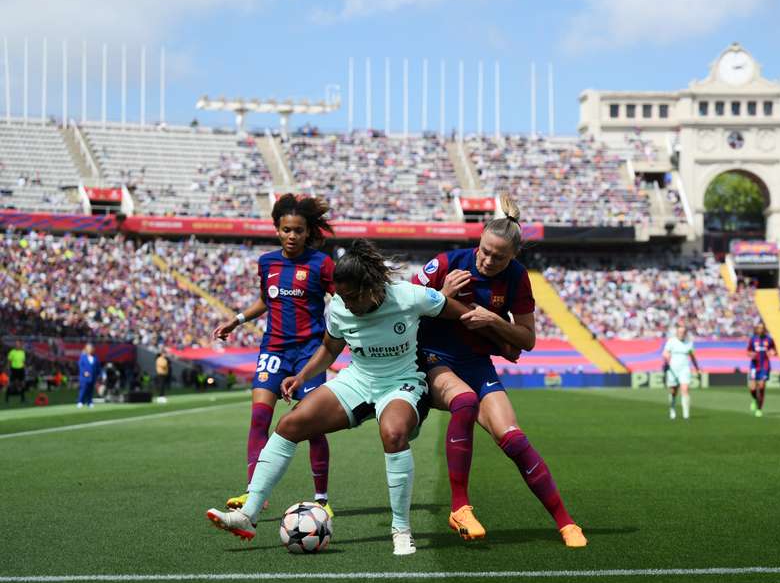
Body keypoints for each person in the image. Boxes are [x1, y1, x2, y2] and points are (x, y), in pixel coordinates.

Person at [206, 239, 472, 555]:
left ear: (372, 287)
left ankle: (401, 530)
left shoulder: (409, 296)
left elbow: (464, 315)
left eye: (352, 296)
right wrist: (302, 376)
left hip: (401, 382)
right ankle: (247, 514)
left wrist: (497, 335)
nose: (346, 302)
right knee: (290, 423)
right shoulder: (339, 308)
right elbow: (330, 349)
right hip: (357, 380)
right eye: (341, 296)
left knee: (394, 433)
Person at [412, 195, 587, 548]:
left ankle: (566, 523)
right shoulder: (446, 263)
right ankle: (460, 506)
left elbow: (527, 340)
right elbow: (401, 307)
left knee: (513, 438)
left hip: (476, 364)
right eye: (485, 251)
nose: (489, 260)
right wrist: (440, 295)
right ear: (478, 242)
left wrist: (494, 320)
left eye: (499, 257)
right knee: (463, 402)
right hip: (434, 358)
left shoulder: (518, 279)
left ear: (513, 257)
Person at [213, 195, 336, 515]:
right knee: (258, 419)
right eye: (286, 230)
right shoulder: (267, 263)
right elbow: (266, 301)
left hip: (310, 353)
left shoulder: (321, 264)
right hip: (274, 349)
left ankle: (322, 499)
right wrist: (236, 320)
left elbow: (342, 301)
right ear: (277, 230)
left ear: (308, 232)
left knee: (313, 425)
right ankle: (255, 495)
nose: (292, 235)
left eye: (298, 230)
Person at [662, 324, 700, 420]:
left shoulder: (689, 343)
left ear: (685, 333)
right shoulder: (671, 341)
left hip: (685, 368)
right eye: (679, 332)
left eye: (683, 332)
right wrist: (667, 358)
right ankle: (672, 408)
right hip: (673, 369)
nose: (681, 334)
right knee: (673, 391)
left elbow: (692, 356)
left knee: (685, 389)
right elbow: (665, 353)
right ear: (677, 332)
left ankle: (686, 415)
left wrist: (697, 368)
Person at [747, 323, 777, 418]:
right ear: (756, 329)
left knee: (761, 386)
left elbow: (774, 350)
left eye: (762, 328)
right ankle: (754, 399)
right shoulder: (753, 339)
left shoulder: (769, 339)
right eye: (759, 328)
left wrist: (773, 352)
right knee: (752, 388)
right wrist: (751, 354)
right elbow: (748, 351)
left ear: (764, 329)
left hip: (764, 366)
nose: (760, 329)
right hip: (754, 366)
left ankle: (759, 409)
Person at [77, 343, 101, 408]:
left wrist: (99, 375)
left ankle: (89, 402)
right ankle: (80, 402)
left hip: (93, 377)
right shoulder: (83, 357)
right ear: (86, 349)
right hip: (84, 378)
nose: (90, 350)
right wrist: (84, 372)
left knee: (90, 390)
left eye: (91, 348)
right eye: (89, 348)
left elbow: (98, 367)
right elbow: (80, 366)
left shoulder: (95, 357)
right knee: (83, 390)